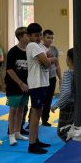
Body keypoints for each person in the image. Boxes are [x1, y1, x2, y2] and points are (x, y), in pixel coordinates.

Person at [26, 22, 57, 154]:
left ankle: (35, 140)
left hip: (43, 83)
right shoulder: (32, 45)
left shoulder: (39, 46)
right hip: (36, 84)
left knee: (38, 113)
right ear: (29, 36)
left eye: (40, 35)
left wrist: (49, 58)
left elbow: (48, 57)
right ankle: (32, 144)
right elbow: (47, 62)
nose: (38, 38)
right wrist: (51, 59)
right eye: (36, 35)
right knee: (35, 113)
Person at [5, 27, 30, 146]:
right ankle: (11, 135)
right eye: (27, 35)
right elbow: (9, 70)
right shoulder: (13, 51)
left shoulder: (29, 50)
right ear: (20, 37)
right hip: (14, 85)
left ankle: (17, 132)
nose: (29, 37)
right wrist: (20, 83)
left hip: (26, 85)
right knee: (13, 110)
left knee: (21, 109)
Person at [51, 48, 75, 141]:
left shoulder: (68, 73)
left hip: (67, 105)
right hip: (76, 105)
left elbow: (66, 92)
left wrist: (56, 105)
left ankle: (72, 146)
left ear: (69, 59)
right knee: (72, 128)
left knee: (62, 131)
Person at [41, 29, 62, 127]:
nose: (50, 39)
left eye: (52, 38)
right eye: (48, 37)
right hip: (42, 78)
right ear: (43, 38)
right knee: (39, 101)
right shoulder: (39, 48)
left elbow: (57, 65)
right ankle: (32, 121)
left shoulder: (54, 49)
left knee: (48, 100)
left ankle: (45, 120)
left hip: (52, 78)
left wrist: (60, 78)